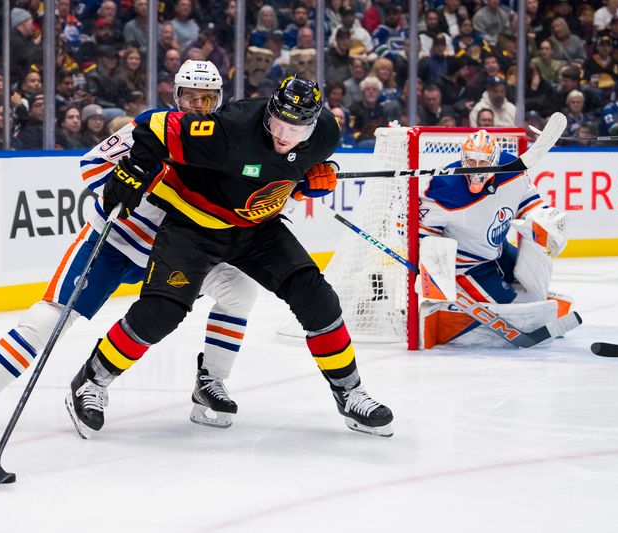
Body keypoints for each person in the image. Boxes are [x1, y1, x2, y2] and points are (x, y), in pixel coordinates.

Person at [64, 75, 394, 440]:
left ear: (313, 126)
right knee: (162, 311)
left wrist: (311, 178)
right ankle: (92, 379)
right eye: (278, 124)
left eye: (295, 131)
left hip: (258, 230)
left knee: (316, 296)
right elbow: (154, 126)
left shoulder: (325, 134)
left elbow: (282, 172)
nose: (284, 136)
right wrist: (135, 169)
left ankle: (348, 392)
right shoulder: (231, 127)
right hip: (194, 225)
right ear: (269, 113)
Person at [0, 60, 258, 433]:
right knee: (52, 316)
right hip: (114, 241)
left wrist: (298, 176)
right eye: (191, 98)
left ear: (218, 101)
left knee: (239, 288)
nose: (198, 107)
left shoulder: (225, 144)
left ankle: (210, 382)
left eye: (207, 99)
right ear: (177, 97)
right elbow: (91, 166)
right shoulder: (151, 126)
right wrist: (132, 178)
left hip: (174, 253)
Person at [419, 130, 568, 317]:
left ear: (495, 159)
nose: (477, 168)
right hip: (466, 266)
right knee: (507, 302)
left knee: (532, 277)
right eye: (471, 160)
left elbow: (529, 204)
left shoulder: (512, 170)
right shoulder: (444, 187)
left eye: (483, 162)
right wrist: (430, 270)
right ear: (463, 157)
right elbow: (422, 233)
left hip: (498, 250)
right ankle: (461, 301)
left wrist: (546, 220)